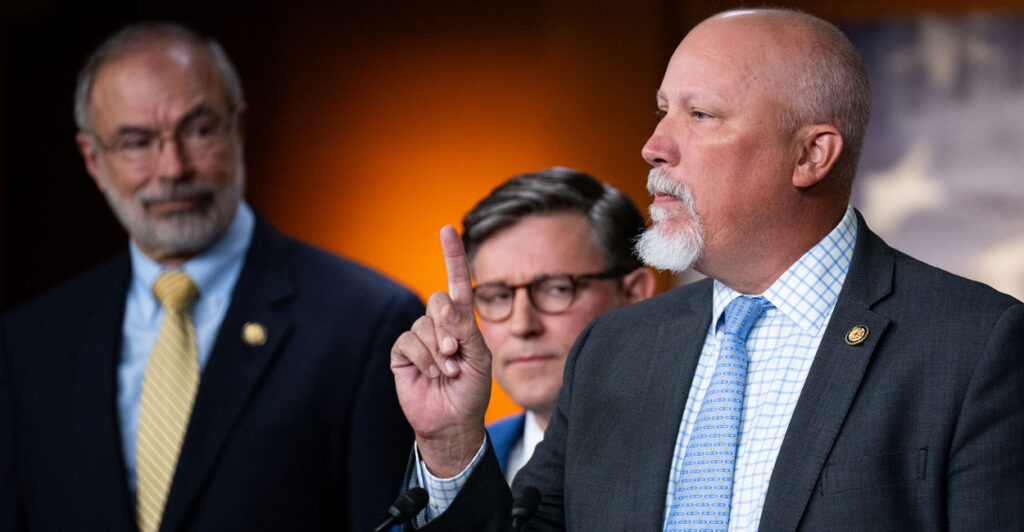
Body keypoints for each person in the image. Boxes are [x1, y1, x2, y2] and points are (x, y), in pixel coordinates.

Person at [390, 8, 1024, 531]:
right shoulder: (613, 350)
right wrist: (450, 445)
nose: (654, 147)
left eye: (700, 115)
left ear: (811, 154)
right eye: (663, 110)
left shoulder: (975, 346)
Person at [0, 23, 423, 532]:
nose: (173, 168)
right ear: (93, 158)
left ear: (237, 129)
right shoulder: (31, 343)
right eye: (137, 143)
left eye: (198, 131)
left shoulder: (368, 324)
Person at [461, 168, 655, 483]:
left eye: (557, 289)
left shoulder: (698, 455)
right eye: (498, 296)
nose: (522, 325)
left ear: (633, 295)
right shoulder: (456, 469)